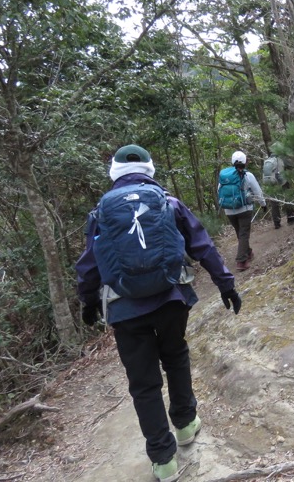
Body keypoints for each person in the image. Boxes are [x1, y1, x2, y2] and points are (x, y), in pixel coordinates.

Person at [76, 144, 242, 482]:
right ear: (150, 169)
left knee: (144, 384)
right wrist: (226, 284)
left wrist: (89, 300)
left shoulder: (101, 213)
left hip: (125, 310)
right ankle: (185, 425)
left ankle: (164, 461)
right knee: (176, 356)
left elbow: (89, 264)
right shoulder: (168, 203)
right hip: (171, 299)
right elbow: (202, 246)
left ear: (113, 173)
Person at [218, 151, 265, 271]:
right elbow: (257, 191)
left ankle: (248, 252)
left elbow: (219, 191)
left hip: (229, 210)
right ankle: (241, 261)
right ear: (245, 162)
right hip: (244, 209)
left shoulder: (225, 176)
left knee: (240, 233)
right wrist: (263, 204)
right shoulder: (247, 175)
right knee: (244, 234)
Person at [263, 153, 294, 229]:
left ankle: (276, 223)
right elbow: (292, 166)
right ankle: (291, 218)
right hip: (281, 181)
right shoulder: (282, 158)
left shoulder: (267, 161)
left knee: (274, 202)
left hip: (271, 183)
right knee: (287, 198)